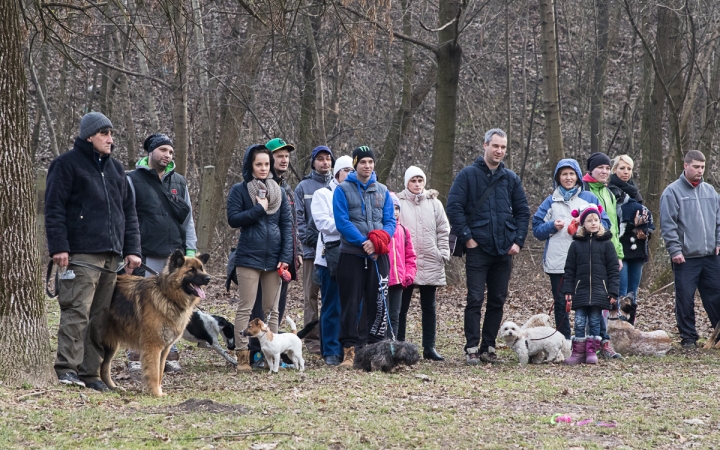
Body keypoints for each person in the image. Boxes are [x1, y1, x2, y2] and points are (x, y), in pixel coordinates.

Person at [45, 112, 141, 391]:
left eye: (112, 134)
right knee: (77, 312)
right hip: (81, 254)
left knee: (100, 316)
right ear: (89, 136)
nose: (110, 139)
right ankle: (67, 369)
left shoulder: (117, 169)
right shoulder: (65, 164)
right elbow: (54, 209)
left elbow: (129, 213)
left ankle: (90, 372)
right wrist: (59, 247)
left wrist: (132, 249)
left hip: (112, 255)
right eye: (104, 134)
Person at [446, 128, 530, 365]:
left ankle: (488, 347)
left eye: (503, 147)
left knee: (497, 300)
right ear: (485, 145)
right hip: (478, 249)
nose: (499, 151)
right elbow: (454, 207)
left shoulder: (511, 178)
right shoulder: (467, 175)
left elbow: (523, 212)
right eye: (495, 146)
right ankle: (472, 347)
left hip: (504, 250)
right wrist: (467, 238)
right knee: (474, 299)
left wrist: (518, 241)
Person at [124, 133, 198, 373]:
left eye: (171, 152)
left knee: (174, 305)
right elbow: (128, 217)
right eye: (163, 150)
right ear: (151, 152)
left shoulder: (179, 182)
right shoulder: (132, 180)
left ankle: (170, 354)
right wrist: (130, 250)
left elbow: (188, 220)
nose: (167, 155)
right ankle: (136, 354)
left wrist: (190, 249)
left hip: (175, 257)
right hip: (145, 254)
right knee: (144, 307)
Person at [227, 144, 293, 372]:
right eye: (259, 164)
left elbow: (287, 225)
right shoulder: (240, 190)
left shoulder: (280, 192)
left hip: (274, 259)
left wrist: (286, 256)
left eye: (267, 164)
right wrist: (258, 209)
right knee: (245, 308)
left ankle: (271, 358)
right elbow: (233, 219)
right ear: (250, 166)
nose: (263, 168)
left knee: (272, 309)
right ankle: (243, 356)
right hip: (248, 258)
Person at [333, 145, 396, 368]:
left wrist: (380, 240)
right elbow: (342, 222)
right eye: (362, 162)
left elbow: (390, 222)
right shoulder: (342, 190)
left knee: (378, 304)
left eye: (370, 162)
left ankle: (375, 351)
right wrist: (363, 242)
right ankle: (349, 352)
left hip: (379, 256)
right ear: (355, 164)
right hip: (351, 255)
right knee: (350, 304)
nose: (367, 166)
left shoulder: (383, 190)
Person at [532, 159, 609, 339]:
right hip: (557, 261)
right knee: (561, 304)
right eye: (564, 174)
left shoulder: (589, 199)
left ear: (578, 177)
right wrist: (552, 226)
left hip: (587, 261)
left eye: (571, 174)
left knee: (591, 302)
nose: (568, 178)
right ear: (558, 177)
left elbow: (605, 223)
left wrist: (586, 224)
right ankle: (564, 342)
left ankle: (597, 340)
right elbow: (536, 229)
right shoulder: (550, 202)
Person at [247, 137, 303, 369]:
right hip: (262, 255)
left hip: (284, 254)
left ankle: (274, 353)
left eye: (287, 156)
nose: (283, 160)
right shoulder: (260, 186)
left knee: (277, 305)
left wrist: (295, 250)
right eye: (278, 156)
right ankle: (256, 354)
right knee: (260, 306)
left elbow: (292, 223)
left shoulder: (285, 188)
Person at [660, 150, 720, 349]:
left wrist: (718, 242)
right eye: (696, 166)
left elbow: (718, 221)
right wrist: (675, 250)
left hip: (711, 255)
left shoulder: (711, 191)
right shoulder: (672, 192)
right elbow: (668, 224)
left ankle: (717, 335)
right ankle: (688, 338)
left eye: (702, 167)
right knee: (685, 298)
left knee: (715, 296)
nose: (699, 171)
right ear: (685, 166)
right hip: (685, 257)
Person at [397, 166, 450, 361]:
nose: (417, 184)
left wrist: (443, 252)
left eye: (420, 180)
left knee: (429, 306)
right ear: (406, 183)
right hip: (406, 262)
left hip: (430, 259)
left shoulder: (434, 203)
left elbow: (443, 229)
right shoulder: (398, 202)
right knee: (401, 307)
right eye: (413, 180)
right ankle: (399, 346)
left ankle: (430, 347)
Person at [562, 204, 620, 365]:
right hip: (580, 290)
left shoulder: (607, 244)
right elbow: (569, 269)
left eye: (596, 220)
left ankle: (591, 351)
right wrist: (568, 290)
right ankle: (578, 352)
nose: (593, 223)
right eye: (589, 220)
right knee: (579, 321)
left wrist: (613, 291)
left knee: (595, 321)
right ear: (583, 224)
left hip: (600, 290)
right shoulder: (576, 245)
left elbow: (613, 269)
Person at [311, 155, 354, 365]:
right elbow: (323, 223)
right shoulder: (323, 194)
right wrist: (348, 226)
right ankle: (330, 350)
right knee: (332, 305)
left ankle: (350, 349)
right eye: (346, 170)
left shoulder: (358, 194)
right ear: (337, 173)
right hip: (330, 257)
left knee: (353, 305)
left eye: (352, 170)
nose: (350, 173)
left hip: (355, 255)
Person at [581, 152, 623, 359]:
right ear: (591, 170)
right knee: (591, 301)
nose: (605, 172)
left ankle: (602, 341)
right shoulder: (585, 190)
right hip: (591, 253)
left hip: (610, 251)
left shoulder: (609, 193)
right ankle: (590, 342)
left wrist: (619, 254)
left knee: (607, 299)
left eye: (608, 168)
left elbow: (614, 228)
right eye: (601, 168)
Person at [295, 146, 334, 354]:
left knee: (331, 295)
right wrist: (305, 244)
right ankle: (312, 341)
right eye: (320, 159)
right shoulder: (303, 187)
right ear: (313, 162)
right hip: (311, 251)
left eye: (328, 159)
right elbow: (299, 219)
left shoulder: (338, 185)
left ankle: (330, 339)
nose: (325, 162)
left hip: (334, 251)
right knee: (310, 296)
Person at [607, 154, 654, 309]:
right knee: (621, 290)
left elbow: (643, 217)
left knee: (633, 292)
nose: (625, 172)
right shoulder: (610, 192)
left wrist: (645, 230)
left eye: (629, 168)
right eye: (622, 168)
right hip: (619, 247)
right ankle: (617, 326)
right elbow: (615, 217)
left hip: (637, 248)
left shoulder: (634, 192)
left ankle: (630, 327)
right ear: (614, 170)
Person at [387, 192, 417, 341]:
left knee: (395, 316)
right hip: (383, 281)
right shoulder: (380, 230)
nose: (394, 212)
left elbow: (410, 256)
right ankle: (382, 347)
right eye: (391, 208)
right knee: (382, 317)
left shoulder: (404, 231)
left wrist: (409, 275)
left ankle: (394, 347)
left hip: (399, 281)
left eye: (397, 208)